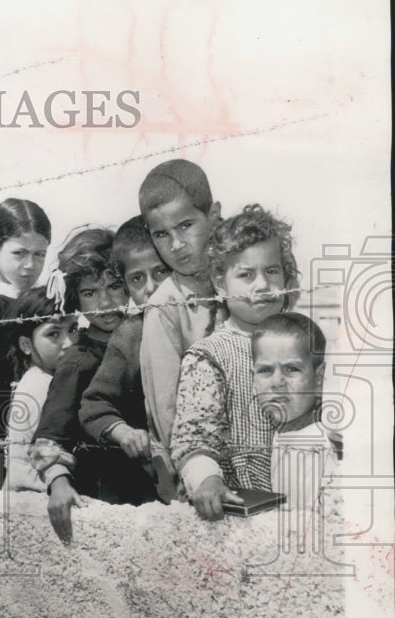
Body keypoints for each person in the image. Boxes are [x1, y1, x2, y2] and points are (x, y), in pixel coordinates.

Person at [171, 205, 298, 520]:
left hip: (298, 501)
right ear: (220, 282)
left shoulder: (303, 345)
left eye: (272, 271)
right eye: (246, 274)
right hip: (235, 509)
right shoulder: (209, 356)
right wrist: (206, 479)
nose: (262, 285)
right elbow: (194, 435)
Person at [30, 228, 128, 542]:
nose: (105, 302)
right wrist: (58, 484)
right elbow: (48, 438)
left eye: (115, 286)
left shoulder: (145, 345)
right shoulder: (77, 361)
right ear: (76, 298)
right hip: (101, 497)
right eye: (90, 293)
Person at [137, 159, 225, 499]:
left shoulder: (242, 279)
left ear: (213, 215)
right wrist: (197, 475)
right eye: (162, 234)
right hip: (200, 478)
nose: (176, 244)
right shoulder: (164, 307)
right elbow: (167, 410)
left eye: (186, 225)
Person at [77, 216, 169, 503]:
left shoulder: (209, 320)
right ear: (128, 287)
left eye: (160, 272)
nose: (151, 288)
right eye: (137, 279)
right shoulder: (130, 334)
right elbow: (94, 405)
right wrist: (123, 432)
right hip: (156, 479)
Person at [0, 198, 51, 490]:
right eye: (19, 253)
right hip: (0, 440)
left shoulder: (19, 301)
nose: (30, 265)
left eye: (40, 254)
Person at [252, 313, 340, 513]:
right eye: (265, 370)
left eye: (291, 369)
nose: (277, 382)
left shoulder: (320, 450)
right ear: (253, 380)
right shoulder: (268, 439)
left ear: (319, 379)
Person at [4, 287, 78, 492]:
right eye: (53, 334)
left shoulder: (39, 377)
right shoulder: (42, 385)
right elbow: (48, 455)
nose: (69, 343)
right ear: (26, 345)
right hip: (38, 495)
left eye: (73, 329)